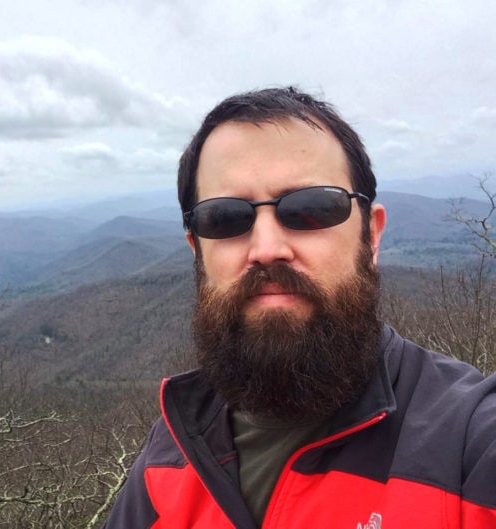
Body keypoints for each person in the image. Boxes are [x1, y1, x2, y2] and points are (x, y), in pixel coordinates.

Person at [102, 87, 496, 528]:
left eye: (311, 209)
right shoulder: (167, 457)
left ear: (371, 237)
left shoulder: (469, 443)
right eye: (225, 218)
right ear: (197, 251)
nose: (267, 248)